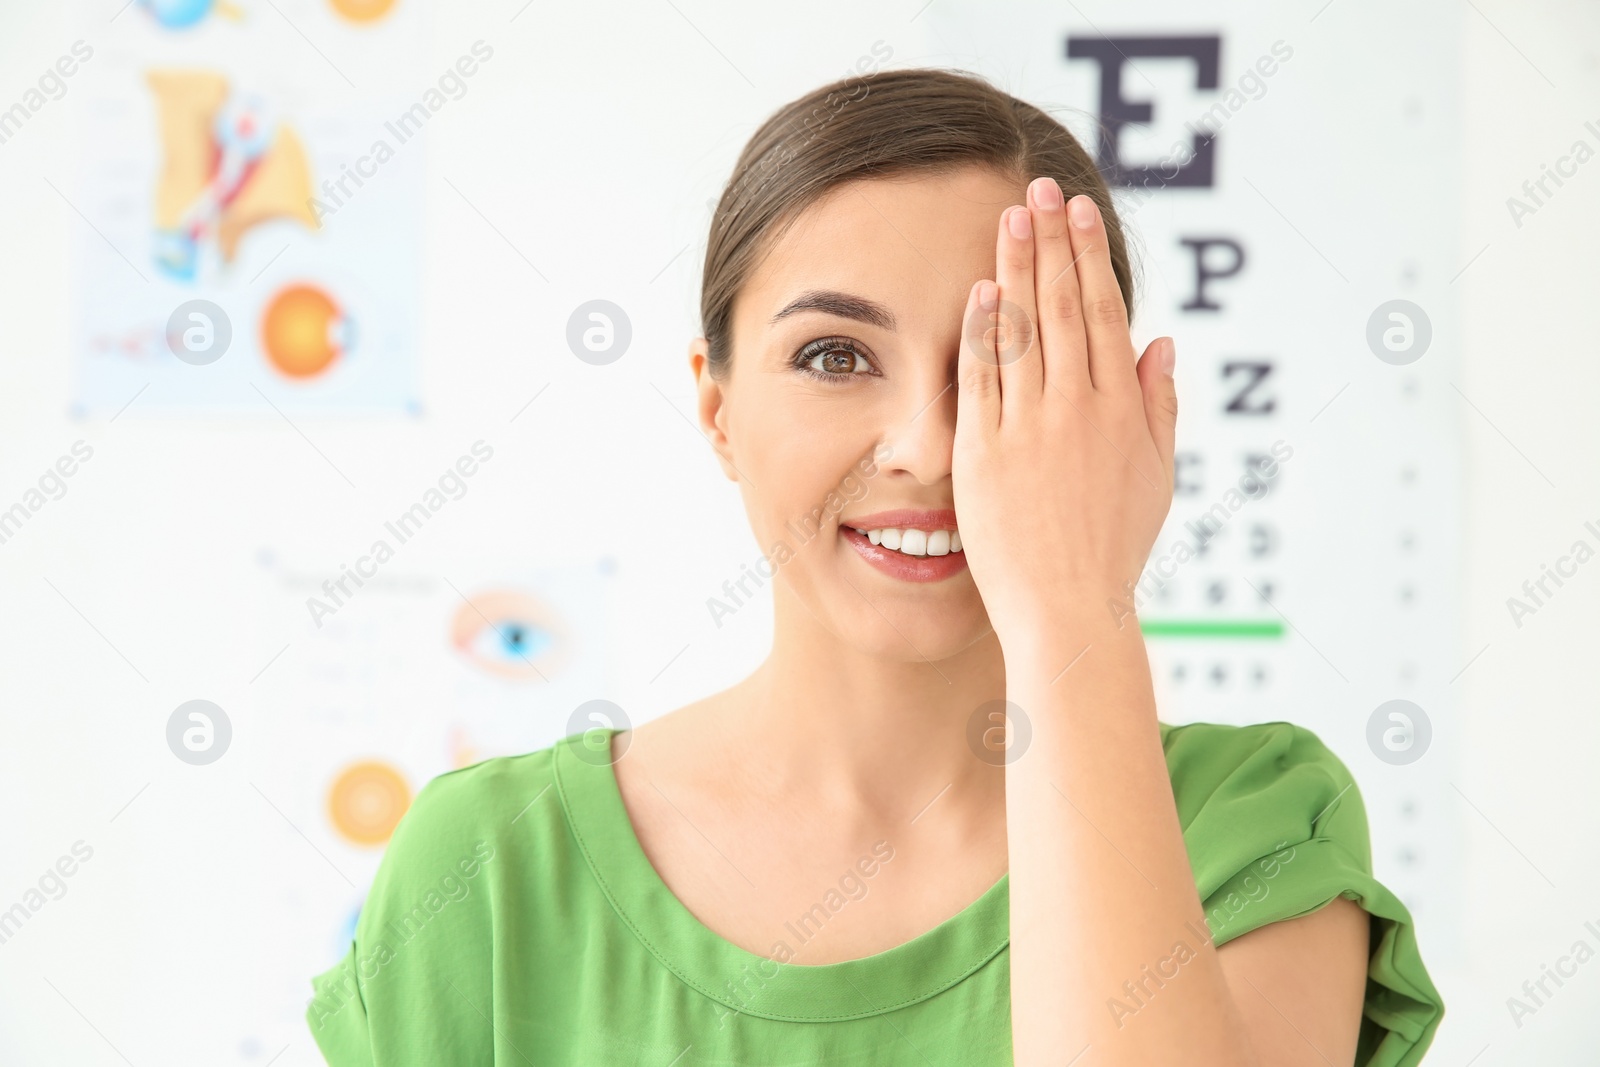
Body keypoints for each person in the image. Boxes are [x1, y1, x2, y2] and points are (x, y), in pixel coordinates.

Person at [306, 67, 1443, 1065]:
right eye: (835, 354)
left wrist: (1071, 608)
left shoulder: (1253, 829)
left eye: (1012, 361)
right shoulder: (488, 872)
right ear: (716, 407)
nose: (927, 444)